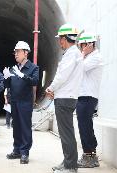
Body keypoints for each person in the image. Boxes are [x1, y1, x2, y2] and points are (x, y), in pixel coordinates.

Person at [45, 24, 83, 173]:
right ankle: (68, 161)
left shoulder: (71, 54)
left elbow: (62, 76)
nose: (59, 42)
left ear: (65, 38)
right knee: (66, 132)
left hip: (65, 99)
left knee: (66, 133)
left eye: (60, 39)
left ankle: (70, 166)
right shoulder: (74, 53)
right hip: (67, 97)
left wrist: (50, 88)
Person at [4, 41, 39, 164]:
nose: (15, 54)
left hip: (25, 102)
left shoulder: (33, 67)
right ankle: (17, 150)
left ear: (26, 52)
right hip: (15, 101)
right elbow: (8, 85)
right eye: (15, 52)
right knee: (16, 127)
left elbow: (34, 81)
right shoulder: (14, 69)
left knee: (25, 127)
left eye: (18, 52)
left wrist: (22, 75)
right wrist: (7, 77)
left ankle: (24, 152)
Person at [76, 32, 103, 168]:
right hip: (84, 96)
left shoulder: (95, 57)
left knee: (85, 126)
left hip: (88, 97)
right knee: (84, 126)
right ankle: (89, 155)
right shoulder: (89, 57)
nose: (81, 48)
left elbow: (80, 68)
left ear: (89, 45)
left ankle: (90, 157)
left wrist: (82, 54)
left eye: (83, 45)